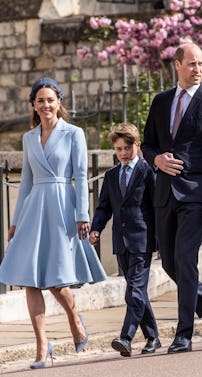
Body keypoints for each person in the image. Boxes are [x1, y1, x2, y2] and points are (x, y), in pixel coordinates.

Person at [0, 77, 107, 368]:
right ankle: (42, 346)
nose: (46, 105)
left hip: (62, 206)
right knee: (31, 280)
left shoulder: (74, 134)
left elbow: (80, 176)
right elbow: (27, 182)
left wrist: (82, 214)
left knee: (56, 281)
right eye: (40, 100)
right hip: (34, 211)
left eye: (50, 99)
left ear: (59, 103)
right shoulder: (29, 138)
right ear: (34, 105)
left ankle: (73, 318)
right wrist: (16, 222)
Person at [141, 42, 202, 353]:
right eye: (192, 64)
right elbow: (147, 144)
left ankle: (184, 334)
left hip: (196, 195)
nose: (198, 69)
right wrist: (157, 161)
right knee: (168, 261)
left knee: (185, 259)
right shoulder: (161, 101)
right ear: (177, 65)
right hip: (165, 193)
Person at [89, 123, 160, 357]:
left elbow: (156, 206)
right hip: (121, 242)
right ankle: (153, 337)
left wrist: (161, 237)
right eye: (118, 148)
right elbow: (104, 207)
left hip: (142, 240)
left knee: (135, 292)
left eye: (127, 147)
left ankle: (126, 337)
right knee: (136, 291)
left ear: (137, 146)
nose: (123, 153)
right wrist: (96, 229)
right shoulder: (111, 176)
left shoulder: (147, 171)